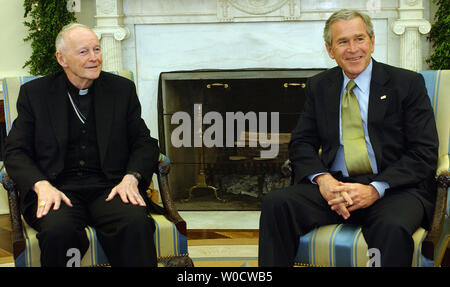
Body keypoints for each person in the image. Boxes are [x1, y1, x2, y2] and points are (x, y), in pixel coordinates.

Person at [258, 9, 439, 267]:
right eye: (343, 42)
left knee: (391, 228)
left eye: (359, 39)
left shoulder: (407, 83)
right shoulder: (319, 87)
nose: (353, 49)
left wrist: (375, 189)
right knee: (277, 204)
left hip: (394, 189)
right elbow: (301, 142)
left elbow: (424, 151)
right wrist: (324, 181)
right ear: (330, 50)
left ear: (372, 41)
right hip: (337, 188)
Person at [4, 23, 162, 267]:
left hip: (110, 187)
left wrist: (131, 177)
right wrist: (41, 185)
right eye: (84, 52)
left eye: (97, 50)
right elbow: (14, 151)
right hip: (57, 190)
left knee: (135, 223)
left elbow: (145, 142)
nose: (94, 58)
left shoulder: (121, 90)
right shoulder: (35, 94)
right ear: (62, 58)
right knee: (59, 231)